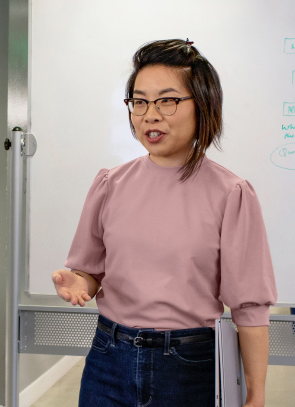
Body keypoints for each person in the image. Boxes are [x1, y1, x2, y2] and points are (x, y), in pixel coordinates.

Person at [52, 39, 277, 407]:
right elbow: (91, 273)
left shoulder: (231, 193)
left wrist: (256, 394)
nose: (149, 115)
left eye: (167, 101)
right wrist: (79, 281)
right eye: (139, 101)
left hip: (189, 365)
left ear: (202, 105)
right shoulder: (110, 183)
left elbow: (250, 308)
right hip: (109, 357)